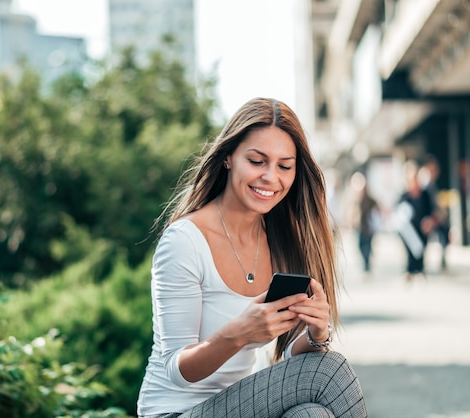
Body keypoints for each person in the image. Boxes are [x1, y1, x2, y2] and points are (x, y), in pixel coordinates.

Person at [137, 98, 367, 418]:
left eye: (284, 166)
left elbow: (288, 354)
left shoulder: (281, 239)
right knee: (329, 372)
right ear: (229, 157)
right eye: (257, 161)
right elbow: (178, 368)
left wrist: (316, 335)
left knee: (311, 415)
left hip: (244, 406)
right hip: (177, 412)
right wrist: (240, 334)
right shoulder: (185, 241)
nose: (270, 177)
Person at [394, 161, 434, 281]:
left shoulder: (425, 194)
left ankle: (420, 270)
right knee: (410, 250)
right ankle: (410, 270)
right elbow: (398, 212)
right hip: (409, 230)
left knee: (421, 248)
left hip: (422, 227)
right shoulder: (404, 196)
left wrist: (429, 221)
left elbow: (431, 210)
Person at [422, 155, 450, 271]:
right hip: (429, 215)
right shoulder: (426, 185)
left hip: (438, 215)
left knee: (443, 235)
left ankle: (442, 258)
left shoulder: (438, 183)